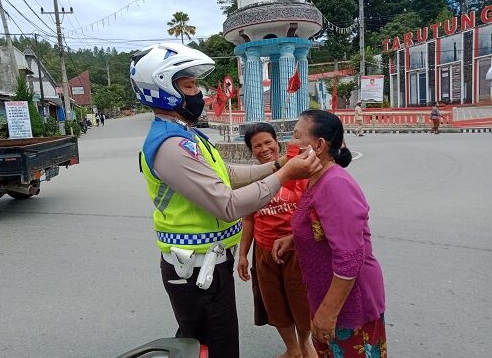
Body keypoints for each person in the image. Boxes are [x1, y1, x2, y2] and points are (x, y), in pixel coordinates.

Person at [130, 43, 322, 358]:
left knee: (205, 346)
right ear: (163, 89)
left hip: (206, 264)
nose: (198, 94)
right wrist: (285, 175)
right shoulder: (171, 145)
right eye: (189, 85)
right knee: (214, 349)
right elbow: (227, 203)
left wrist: (275, 166)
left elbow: (228, 174)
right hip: (193, 269)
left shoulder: (186, 135)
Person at [273, 109, 387, 357]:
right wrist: (295, 239)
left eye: (296, 136)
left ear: (319, 145)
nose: (290, 144)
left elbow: (349, 257)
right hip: (325, 294)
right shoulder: (316, 178)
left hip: (348, 303)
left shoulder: (335, 185)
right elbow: (322, 227)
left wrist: (328, 312)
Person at [238, 123, 316, 358]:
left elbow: (313, 211)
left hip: (297, 249)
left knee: (302, 301)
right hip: (264, 251)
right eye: (257, 146)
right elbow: (249, 220)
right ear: (251, 151)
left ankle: (305, 345)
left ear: (277, 142)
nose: (264, 148)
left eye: (267, 142)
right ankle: (292, 348)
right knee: (275, 303)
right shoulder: (252, 180)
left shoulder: (297, 170)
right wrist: (242, 254)